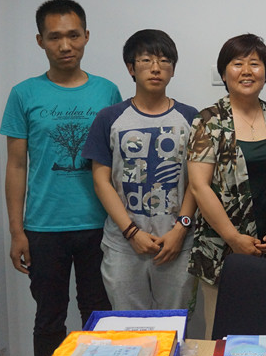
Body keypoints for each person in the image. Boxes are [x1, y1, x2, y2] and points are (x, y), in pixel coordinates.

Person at [0, 0, 121, 356]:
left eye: (73, 35)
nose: (65, 45)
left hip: (99, 225)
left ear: (86, 36)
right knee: (49, 319)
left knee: (99, 315)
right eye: (54, 37)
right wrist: (17, 231)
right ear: (40, 41)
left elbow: (118, 163)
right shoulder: (24, 94)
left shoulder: (107, 92)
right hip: (44, 227)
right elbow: (16, 165)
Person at [188, 33, 266, 338]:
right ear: (224, 72)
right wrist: (233, 238)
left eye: (255, 63)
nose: (247, 71)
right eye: (238, 63)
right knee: (223, 334)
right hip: (221, 249)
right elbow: (199, 187)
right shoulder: (208, 121)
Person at [82, 29, 199, 314]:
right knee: (128, 327)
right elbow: (101, 181)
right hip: (123, 244)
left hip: (177, 244)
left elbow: (198, 182)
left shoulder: (191, 118)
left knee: (175, 323)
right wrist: (131, 231)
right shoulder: (109, 118)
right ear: (131, 68)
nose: (156, 68)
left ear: (173, 69)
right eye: (146, 60)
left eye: (164, 61)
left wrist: (180, 229)